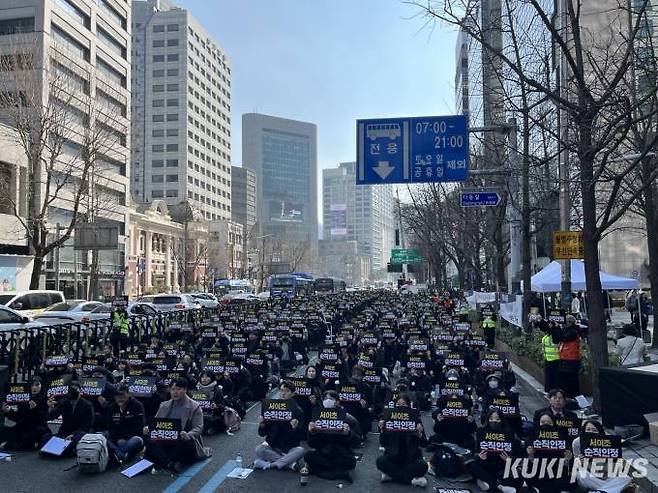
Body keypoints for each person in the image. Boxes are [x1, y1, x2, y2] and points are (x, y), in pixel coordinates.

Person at [143, 378, 210, 472]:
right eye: (173, 389)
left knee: (187, 444)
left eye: (178, 389)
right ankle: (169, 462)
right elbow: (156, 423)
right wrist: (148, 428)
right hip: (165, 439)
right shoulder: (164, 405)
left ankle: (162, 461)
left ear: (185, 390)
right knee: (148, 439)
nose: (175, 392)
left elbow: (198, 428)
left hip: (182, 440)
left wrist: (188, 435)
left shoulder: (195, 406)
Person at [376, 393, 429, 487]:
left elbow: (425, 444)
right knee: (380, 461)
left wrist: (419, 434)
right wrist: (382, 430)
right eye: (398, 405)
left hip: (412, 459)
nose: (401, 407)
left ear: (409, 406)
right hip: (393, 458)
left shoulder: (416, 420)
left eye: (403, 405)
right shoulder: (389, 420)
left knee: (423, 466)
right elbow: (383, 442)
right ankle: (412, 481)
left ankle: (391, 476)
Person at [304, 390, 358, 482]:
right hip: (322, 453)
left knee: (351, 461)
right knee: (308, 456)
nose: (328, 401)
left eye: (331, 399)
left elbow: (357, 441)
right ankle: (338, 473)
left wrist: (348, 433)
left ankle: (320, 471)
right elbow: (311, 444)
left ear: (337, 401)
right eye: (325, 399)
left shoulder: (346, 417)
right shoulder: (317, 415)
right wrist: (311, 432)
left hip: (341, 454)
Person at [253, 380, 306, 470]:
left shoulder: (298, 411)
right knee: (259, 449)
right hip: (273, 446)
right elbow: (262, 434)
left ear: (293, 393)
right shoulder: (270, 407)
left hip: (289, 448)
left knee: (300, 450)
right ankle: (289, 464)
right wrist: (262, 425)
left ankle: (270, 465)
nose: (283, 394)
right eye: (281, 391)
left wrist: (295, 428)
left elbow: (301, 436)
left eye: (287, 391)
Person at [467, 409, 523, 493]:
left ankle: (486, 482)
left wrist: (508, 460)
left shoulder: (510, 434)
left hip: (502, 467)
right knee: (472, 465)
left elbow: (518, 456)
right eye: (491, 419)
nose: (494, 421)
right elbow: (475, 453)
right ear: (487, 420)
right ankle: (500, 487)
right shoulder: (482, 432)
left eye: (497, 419)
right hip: (486, 464)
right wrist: (479, 457)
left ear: (502, 420)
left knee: (518, 479)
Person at [572, 420, 632, 493]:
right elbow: (576, 465)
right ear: (584, 430)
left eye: (594, 430)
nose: (590, 432)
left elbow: (616, 463)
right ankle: (610, 490)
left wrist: (607, 473)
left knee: (626, 478)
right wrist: (580, 462)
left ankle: (600, 491)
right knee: (580, 474)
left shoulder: (609, 442)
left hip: (607, 475)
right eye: (588, 429)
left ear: (599, 432)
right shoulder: (577, 442)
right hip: (590, 475)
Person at [525, 413, 574, 493]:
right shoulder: (532, 437)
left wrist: (567, 459)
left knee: (570, 482)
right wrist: (530, 455)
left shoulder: (562, 438)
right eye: (543, 422)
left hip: (557, 473)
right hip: (537, 473)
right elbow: (528, 464)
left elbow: (566, 466)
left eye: (549, 423)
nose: (545, 425)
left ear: (554, 424)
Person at [0, 377, 49, 451]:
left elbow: (44, 418)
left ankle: (11, 445)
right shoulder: (24, 398)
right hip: (23, 428)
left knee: (35, 433)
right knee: (3, 430)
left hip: (38, 429)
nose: (34, 387)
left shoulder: (45, 399)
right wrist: (8, 411)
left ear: (41, 386)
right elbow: (18, 417)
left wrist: (35, 409)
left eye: (37, 385)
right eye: (32, 385)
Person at [43, 381, 95, 452]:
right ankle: (60, 448)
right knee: (46, 437)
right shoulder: (64, 402)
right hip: (64, 433)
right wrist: (50, 407)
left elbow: (87, 425)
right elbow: (51, 417)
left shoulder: (87, 405)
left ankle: (59, 449)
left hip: (78, 433)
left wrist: (73, 435)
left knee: (79, 437)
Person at [104, 384, 145, 462]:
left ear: (128, 394)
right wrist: (117, 439)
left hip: (132, 438)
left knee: (137, 440)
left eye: (122, 395)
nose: (119, 398)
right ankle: (121, 454)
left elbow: (139, 427)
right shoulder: (111, 408)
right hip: (117, 439)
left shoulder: (137, 405)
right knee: (101, 435)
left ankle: (116, 453)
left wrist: (124, 438)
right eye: (117, 396)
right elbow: (110, 427)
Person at [557, 315, 581, 398]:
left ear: (570, 323)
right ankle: (566, 396)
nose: (563, 324)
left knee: (571, 380)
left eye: (565, 322)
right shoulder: (568, 330)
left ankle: (573, 397)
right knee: (564, 380)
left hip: (571, 360)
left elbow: (564, 338)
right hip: (565, 358)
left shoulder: (573, 331)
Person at [540, 322, 561, 392]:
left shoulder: (549, 336)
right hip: (551, 359)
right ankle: (550, 390)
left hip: (552, 359)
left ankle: (550, 390)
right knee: (552, 377)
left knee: (551, 377)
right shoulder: (550, 335)